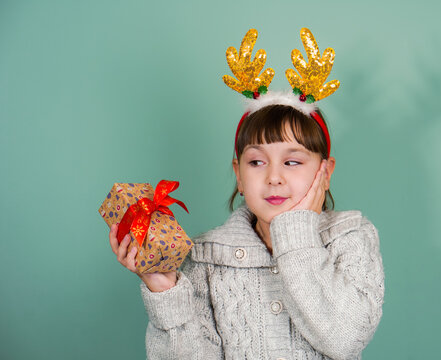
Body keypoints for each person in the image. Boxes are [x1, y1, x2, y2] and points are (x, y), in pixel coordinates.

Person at [109, 28, 384, 359]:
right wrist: (166, 291)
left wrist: (296, 232)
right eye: (257, 162)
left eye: (292, 161)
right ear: (238, 174)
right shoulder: (205, 256)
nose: (274, 177)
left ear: (325, 172)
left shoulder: (351, 237)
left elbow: (344, 340)